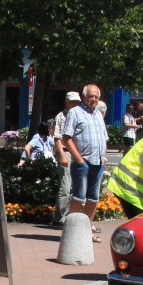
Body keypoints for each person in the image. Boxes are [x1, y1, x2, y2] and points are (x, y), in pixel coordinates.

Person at [63, 83, 109, 223]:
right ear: (83, 97)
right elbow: (66, 137)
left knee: (93, 198)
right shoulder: (75, 112)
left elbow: (104, 137)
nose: (93, 99)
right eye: (90, 96)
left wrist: (104, 156)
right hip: (83, 162)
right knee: (79, 197)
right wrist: (78, 159)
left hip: (98, 162)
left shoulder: (98, 115)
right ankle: (71, 231)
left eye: (96, 97)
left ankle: (87, 230)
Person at [49, 92, 80, 226]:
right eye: (72, 102)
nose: (75, 104)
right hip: (65, 152)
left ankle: (68, 216)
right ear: (66, 102)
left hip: (76, 153)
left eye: (77, 102)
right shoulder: (61, 117)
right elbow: (57, 138)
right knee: (65, 186)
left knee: (74, 186)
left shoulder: (79, 115)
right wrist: (62, 156)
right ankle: (59, 217)